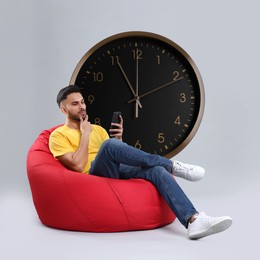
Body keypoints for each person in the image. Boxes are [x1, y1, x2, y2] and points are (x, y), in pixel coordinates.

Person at [49, 85, 232, 240]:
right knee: (109, 145)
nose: (81, 107)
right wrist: (86, 134)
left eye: (82, 102)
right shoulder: (58, 135)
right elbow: (77, 165)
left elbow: (116, 155)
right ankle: (172, 165)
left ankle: (193, 220)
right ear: (63, 109)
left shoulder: (97, 129)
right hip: (93, 176)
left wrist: (119, 140)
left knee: (156, 170)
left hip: (115, 171)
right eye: (75, 104)